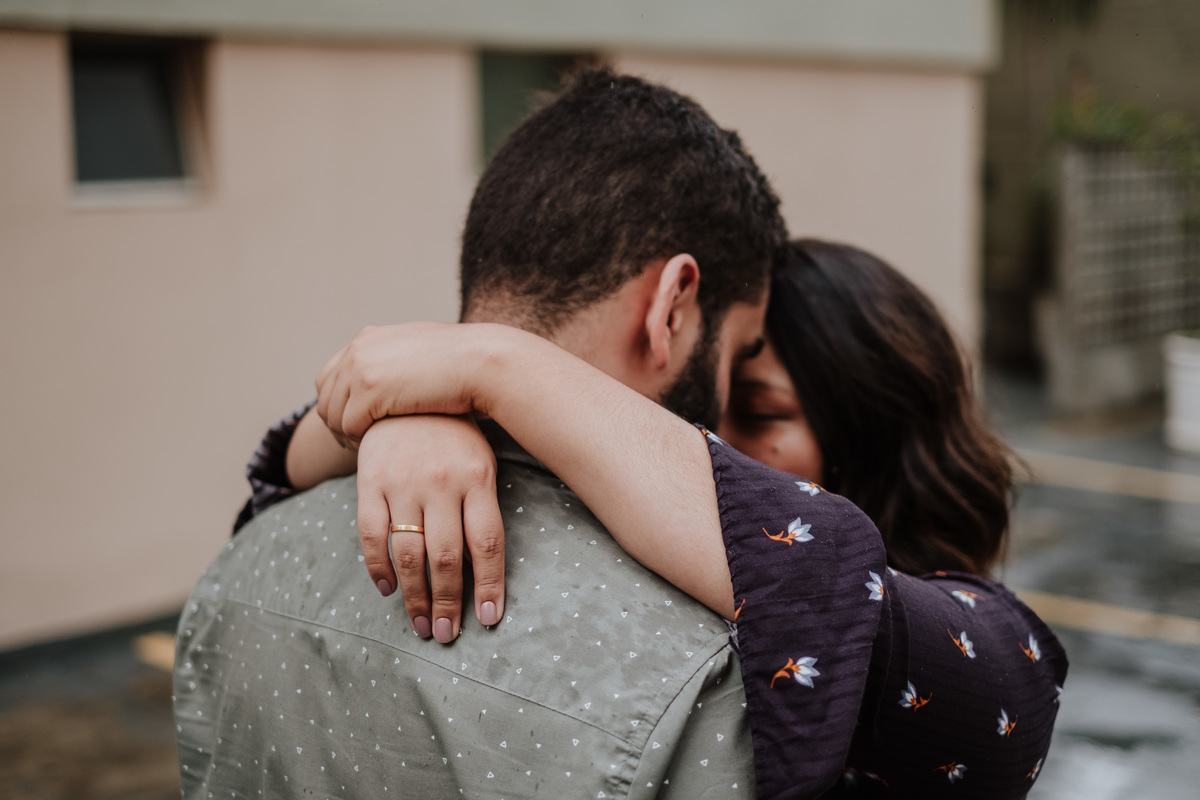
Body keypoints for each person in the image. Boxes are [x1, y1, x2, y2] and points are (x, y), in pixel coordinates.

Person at [174, 67, 811, 800]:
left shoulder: (243, 562)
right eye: (739, 352)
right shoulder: (711, 667)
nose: (729, 411)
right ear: (671, 310)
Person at [236, 241, 1068, 798]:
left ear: (872, 441)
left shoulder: (966, 634)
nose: (714, 442)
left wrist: (496, 365)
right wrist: (401, 420)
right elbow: (269, 490)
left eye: (762, 412)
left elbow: (1006, 712)